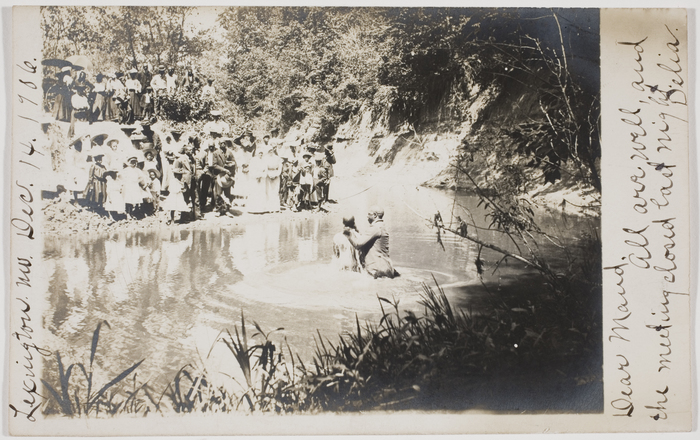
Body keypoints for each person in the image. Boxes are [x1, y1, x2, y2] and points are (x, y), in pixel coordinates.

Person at [346, 206, 399, 279]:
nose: (367, 216)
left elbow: (357, 244)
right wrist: (355, 230)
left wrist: (347, 233)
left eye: (369, 214)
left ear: (375, 215)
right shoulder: (381, 226)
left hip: (376, 270)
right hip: (385, 267)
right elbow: (366, 241)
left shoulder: (375, 228)